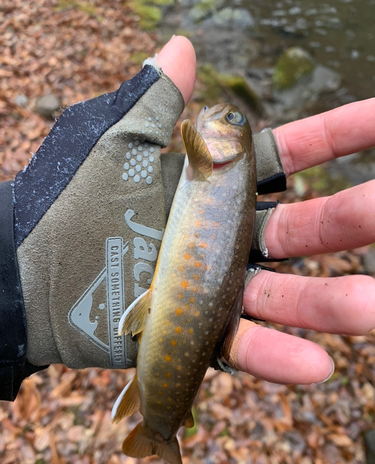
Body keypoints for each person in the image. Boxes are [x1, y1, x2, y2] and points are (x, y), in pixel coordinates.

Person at [1, 36, 374, 401]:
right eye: (233, 118)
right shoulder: (211, 162)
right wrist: (23, 286)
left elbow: (189, 130)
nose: (225, 114)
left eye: (232, 118)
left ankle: (159, 427)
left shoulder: (209, 159)